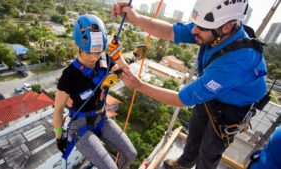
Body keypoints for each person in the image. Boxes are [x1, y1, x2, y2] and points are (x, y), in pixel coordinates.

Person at [112, 0, 267, 169]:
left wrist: (139, 85)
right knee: (195, 131)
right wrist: (135, 18)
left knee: (210, 149)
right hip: (215, 91)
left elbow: (181, 99)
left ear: (227, 26)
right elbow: (171, 32)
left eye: (201, 28)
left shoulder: (236, 62)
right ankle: (184, 164)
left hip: (234, 106)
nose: (194, 30)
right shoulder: (215, 29)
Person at [53, 14, 137, 169]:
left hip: (102, 118)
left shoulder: (104, 61)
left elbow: (128, 75)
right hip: (80, 126)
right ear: (78, 46)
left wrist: (118, 58)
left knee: (131, 154)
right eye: (88, 52)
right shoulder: (69, 75)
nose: (93, 57)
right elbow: (58, 110)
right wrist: (59, 138)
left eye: (97, 53)